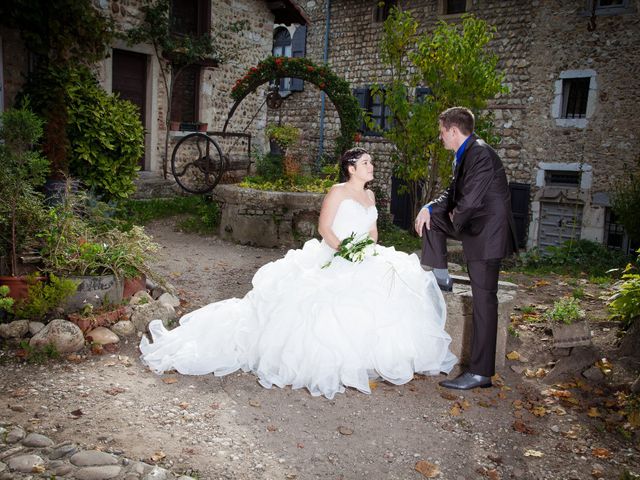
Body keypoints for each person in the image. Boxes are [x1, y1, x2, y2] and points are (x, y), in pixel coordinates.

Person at [140, 147, 457, 400]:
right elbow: (324, 228)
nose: (371, 166)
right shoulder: (338, 191)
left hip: (364, 255)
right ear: (351, 168)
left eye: (371, 162)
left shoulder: (371, 196)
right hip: (335, 253)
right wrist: (345, 250)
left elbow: (373, 231)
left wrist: (366, 249)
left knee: (392, 288)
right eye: (366, 162)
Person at [414, 107, 518, 390]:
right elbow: (453, 191)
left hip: (487, 235)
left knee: (484, 301)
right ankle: (441, 277)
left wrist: (450, 218)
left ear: (452, 130)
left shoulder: (481, 153)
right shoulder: (466, 154)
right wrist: (429, 207)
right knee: (431, 218)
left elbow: (469, 201)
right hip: (473, 226)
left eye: (441, 132)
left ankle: (481, 372)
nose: (440, 138)